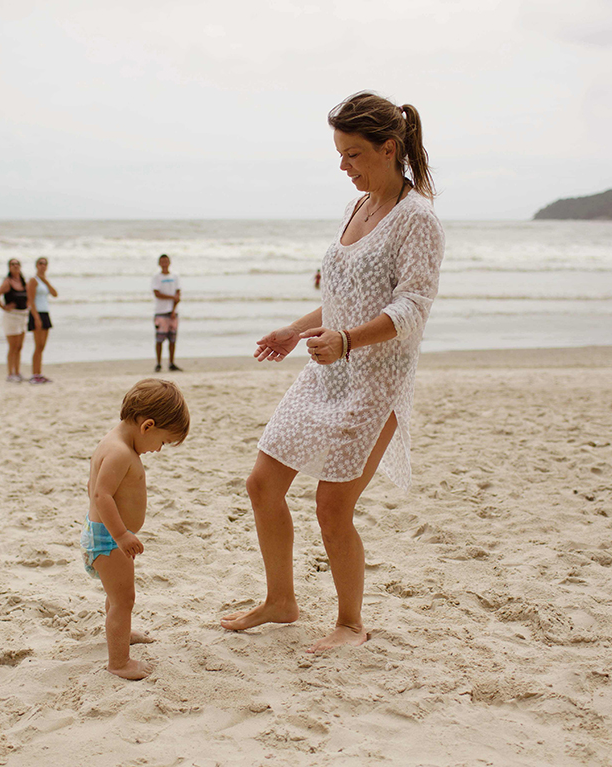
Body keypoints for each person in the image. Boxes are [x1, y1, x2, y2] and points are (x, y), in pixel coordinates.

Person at [220, 91, 445, 653]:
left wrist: (346, 340)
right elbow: (346, 294)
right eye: (340, 155)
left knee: (331, 506)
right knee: (262, 484)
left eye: (352, 155)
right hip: (324, 372)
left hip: (375, 382)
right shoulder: (357, 205)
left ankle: (349, 622)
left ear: (388, 148)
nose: (342, 166)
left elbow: (412, 308)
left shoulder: (417, 220)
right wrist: (294, 331)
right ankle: (280, 601)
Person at [81, 379, 190, 680]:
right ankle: (119, 663)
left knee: (117, 594)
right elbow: (101, 495)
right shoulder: (119, 452)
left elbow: (90, 486)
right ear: (148, 426)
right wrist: (121, 534)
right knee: (123, 600)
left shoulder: (114, 442)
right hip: (109, 539)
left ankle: (122, 632)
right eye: (163, 442)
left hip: (105, 534)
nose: (159, 449)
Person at [0, 258, 28, 382]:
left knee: (19, 346)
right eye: (12, 264)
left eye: (17, 264)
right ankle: (10, 373)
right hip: (11, 316)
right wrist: (4, 307)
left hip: (23, 315)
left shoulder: (23, 282)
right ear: (9, 267)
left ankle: (17, 371)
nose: (15, 266)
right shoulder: (7, 282)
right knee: (12, 346)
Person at [27, 257, 58, 384]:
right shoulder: (33, 280)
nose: (43, 266)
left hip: (45, 312)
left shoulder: (44, 281)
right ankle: (35, 374)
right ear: (36, 265)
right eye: (40, 263)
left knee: (42, 346)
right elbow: (30, 300)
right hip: (37, 313)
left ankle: (39, 373)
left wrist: (45, 280)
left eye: (45, 264)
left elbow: (55, 294)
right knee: (38, 346)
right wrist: (36, 317)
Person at [152, 254, 182, 372]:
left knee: (172, 339)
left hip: (173, 312)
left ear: (169, 262)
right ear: (159, 263)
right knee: (159, 339)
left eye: (166, 261)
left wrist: (173, 309)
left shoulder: (175, 276)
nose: (164, 263)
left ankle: (171, 362)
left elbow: (178, 294)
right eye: (162, 261)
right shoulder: (156, 277)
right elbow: (157, 293)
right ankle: (158, 363)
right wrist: (172, 297)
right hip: (160, 311)